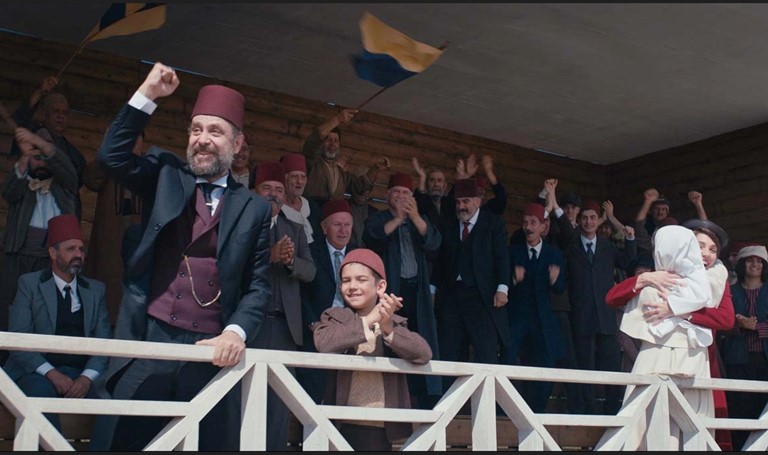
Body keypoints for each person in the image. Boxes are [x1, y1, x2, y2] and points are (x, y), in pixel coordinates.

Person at [92, 62, 273, 451]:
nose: (202, 140)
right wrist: (148, 94)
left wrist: (235, 332)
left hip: (211, 354)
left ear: (237, 144)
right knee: (125, 442)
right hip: (150, 342)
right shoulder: (166, 174)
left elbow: (258, 286)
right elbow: (111, 157)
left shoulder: (255, 208)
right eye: (196, 130)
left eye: (215, 131)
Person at [606, 218, 735, 451]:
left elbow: (726, 319)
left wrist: (681, 310)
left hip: (697, 358)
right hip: (657, 356)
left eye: (712, 250)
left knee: (694, 424)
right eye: (700, 246)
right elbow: (612, 298)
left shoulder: (717, 280)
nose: (706, 254)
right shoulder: (662, 274)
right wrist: (645, 278)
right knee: (643, 421)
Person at [313, 248, 432, 451]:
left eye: (361, 280)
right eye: (346, 281)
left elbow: (424, 353)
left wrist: (387, 327)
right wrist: (369, 320)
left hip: (381, 426)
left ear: (380, 286)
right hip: (341, 421)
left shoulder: (395, 322)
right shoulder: (335, 317)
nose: (352, 286)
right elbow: (324, 343)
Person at [4, 214, 112, 433]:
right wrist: (52, 374)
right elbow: (18, 338)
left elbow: (104, 343)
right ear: (53, 253)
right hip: (38, 372)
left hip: (81, 373)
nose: (78, 255)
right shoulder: (29, 284)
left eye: (81, 249)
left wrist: (86, 378)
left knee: (112, 405)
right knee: (39, 399)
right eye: (71, 249)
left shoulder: (95, 290)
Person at [251, 159, 316, 450]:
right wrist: (270, 255)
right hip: (252, 324)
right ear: (254, 191)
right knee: (242, 394)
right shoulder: (244, 223)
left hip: (284, 328)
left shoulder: (295, 228)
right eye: (267, 188)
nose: (274, 195)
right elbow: (232, 266)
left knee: (278, 403)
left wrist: (290, 262)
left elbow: (310, 271)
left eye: (278, 189)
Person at [363, 172, 442, 408]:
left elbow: (435, 244)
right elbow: (372, 237)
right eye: (396, 192)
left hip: (417, 294)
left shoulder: (420, 220)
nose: (400, 196)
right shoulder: (379, 217)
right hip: (391, 293)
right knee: (391, 342)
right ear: (387, 195)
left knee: (420, 343)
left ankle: (424, 401)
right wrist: (398, 218)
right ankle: (392, 399)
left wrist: (414, 216)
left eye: (406, 193)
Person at [0, 127, 79, 363]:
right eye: (37, 157)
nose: (41, 162)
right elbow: (8, 191)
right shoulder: (22, 185)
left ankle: (44, 367)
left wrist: (40, 144)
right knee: (10, 312)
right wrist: (25, 156)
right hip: (18, 258)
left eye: (45, 156)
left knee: (47, 313)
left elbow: (68, 170)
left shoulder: (64, 186)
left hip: (52, 262)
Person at [432, 178, 511, 381]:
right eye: (458, 202)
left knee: (485, 352)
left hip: (482, 297)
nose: (461, 206)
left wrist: (503, 288)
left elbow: (502, 257)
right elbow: (441, 261)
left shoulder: (493, 223)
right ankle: (449, 400)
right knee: (449, 351)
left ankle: (487, 400)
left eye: (466, 201)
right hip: (452, 297)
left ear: (478, 201)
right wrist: (432, 289)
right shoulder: (449, 225)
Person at [564, 200, 636, 415]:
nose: (589, 222)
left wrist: (630, 239)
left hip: (605, 315)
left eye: (593, 218)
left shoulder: (607, 246)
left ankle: (612, 412)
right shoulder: (571, 248)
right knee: (584, 366)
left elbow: (627, 262)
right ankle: (587, 412)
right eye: (585, 218)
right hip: (581, 315)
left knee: (611, 365)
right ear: (580, 220)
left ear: (598, 221)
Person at [504, 202, 566, 413]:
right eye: (525, 222)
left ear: (543, 226)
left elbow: (560, 288)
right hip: (517, 319)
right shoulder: (513, 252)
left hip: (542, 320)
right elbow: (501, 284)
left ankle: (536, 412)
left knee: (545, 365)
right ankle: (508, 411)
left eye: (533, 223)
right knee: (508, 360)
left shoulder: (553, 254)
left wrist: (554, 279)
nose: (528, 227)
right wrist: (513, 279)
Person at [82, 132, 145, 325]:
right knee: (107, 288)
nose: (132, 143)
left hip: (137, 240)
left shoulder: (146, 168)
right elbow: (91, 179)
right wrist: (105, 152)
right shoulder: (110, 164)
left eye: (136, 139)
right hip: (109, 240)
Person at [298, 199, 358, 403]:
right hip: (317, 331)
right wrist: (313, 324)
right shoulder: (309, 252)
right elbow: (300, 295)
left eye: (347, 225)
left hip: (351, 332)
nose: (343, 230)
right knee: (313, 399)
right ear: (324, 228)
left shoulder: (359, 254)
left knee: (346, 396)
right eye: (337, 225)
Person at [10, 76, 86, 219]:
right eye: (56, 111)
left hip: (59, 218)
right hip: (30, 213)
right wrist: (40, 92)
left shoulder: (75, 155)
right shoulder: (32, 137)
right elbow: (19, 120)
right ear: (46, 115)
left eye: (64, 113)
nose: (60, 116)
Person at [721, 243, 768, 450]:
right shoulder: (731, 292)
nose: (755, 264)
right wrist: (737, 325)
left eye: (759, 261)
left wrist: (756, 327)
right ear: (742, 264)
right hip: (737, 359)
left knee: (764, 409)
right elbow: (721, 325)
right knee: (739, 407)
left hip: (764, 359)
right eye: (750, 260)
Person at [299, 108, 390, 206]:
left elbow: (359, 187)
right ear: (321, 142)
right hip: (312, 212)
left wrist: (375, 169)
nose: (332, 144)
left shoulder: (340, 172)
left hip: (333, 214)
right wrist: (337, 119)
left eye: (336, 140)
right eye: (328, 139)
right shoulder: (312, 163)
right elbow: (313, 140)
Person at [279, 152, 322, 245]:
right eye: (294, 177)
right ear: (284, 179)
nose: (300, 181)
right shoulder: (277, 209)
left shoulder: (312, 207)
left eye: (303, 177)